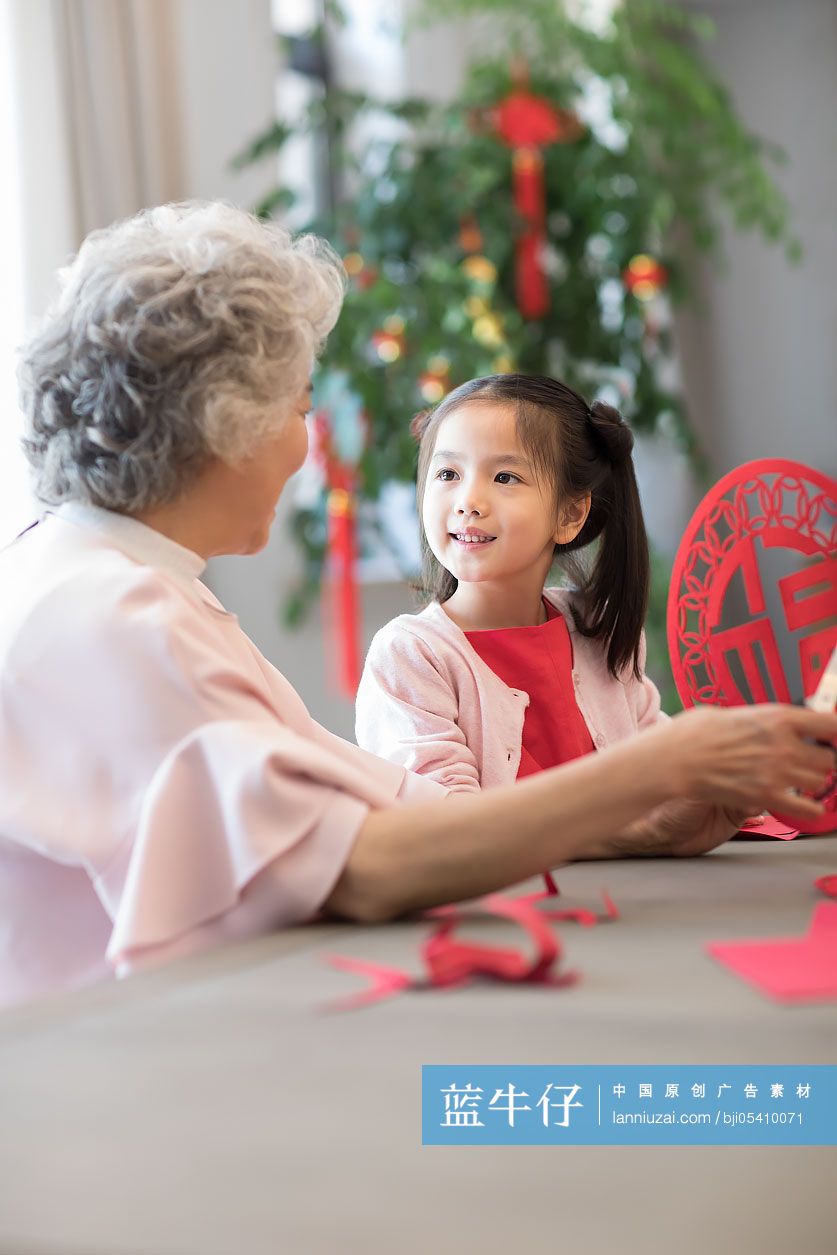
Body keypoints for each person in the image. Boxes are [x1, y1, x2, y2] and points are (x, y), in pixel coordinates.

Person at [1, 202, 833, 1010]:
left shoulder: (115, 583)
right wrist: (660, 765)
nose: (305, 448)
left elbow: (382, 807)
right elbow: (360, 863)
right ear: (225, 423)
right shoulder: (110, 619)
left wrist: (648, 818)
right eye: (300, 410)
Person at [356, 373, 665, 792]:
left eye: (504, 477)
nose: (468, 502)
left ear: (570, 514)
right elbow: (446, 817)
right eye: (447, 473)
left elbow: (664, 769)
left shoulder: (598, 631)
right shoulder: (411, 657)